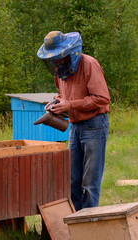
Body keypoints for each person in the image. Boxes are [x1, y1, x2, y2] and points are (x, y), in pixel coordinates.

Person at [37, 31, 110, 211]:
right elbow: (64, 95)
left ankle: (89, 223)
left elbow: (102, 98)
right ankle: (75, 221)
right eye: (53, 58)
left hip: (94, 125)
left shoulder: (89, 64)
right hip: (75, 127)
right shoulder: (60, 70)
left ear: (70, 52)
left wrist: (70, 105)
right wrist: (56, 102)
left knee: (90, 182)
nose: (56, 62)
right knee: (71, 179)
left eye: (58, 57)